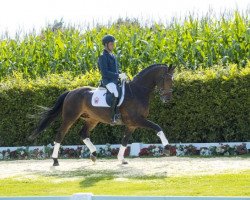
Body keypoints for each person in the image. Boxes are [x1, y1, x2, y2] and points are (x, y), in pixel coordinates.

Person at [98, 35, 127, 124]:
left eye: (113, 44)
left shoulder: (113, 55)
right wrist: (118, 75)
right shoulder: (103, 56)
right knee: (116, 92)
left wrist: (122, 74)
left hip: (115, 80)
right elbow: (105, 72)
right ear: (106, 45)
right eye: (111, 44)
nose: (113, 46)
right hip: (108, 81)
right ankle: (114, 116)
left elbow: (115, 69)